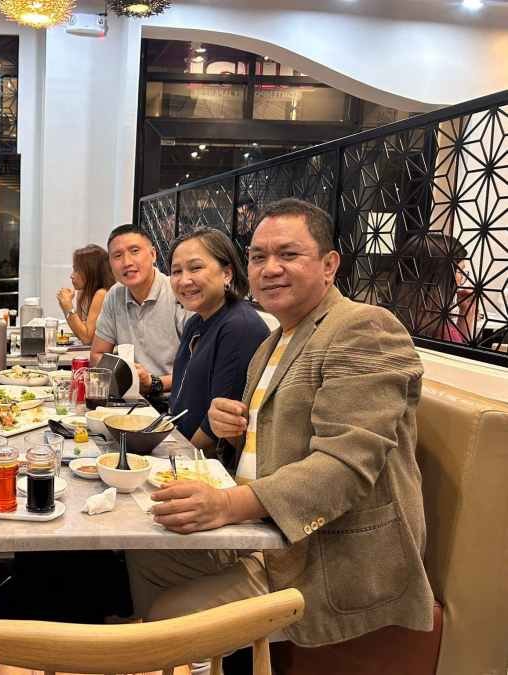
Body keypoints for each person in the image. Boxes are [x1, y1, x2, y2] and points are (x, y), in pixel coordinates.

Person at [127, 198, 434, 652]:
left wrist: (226, 505)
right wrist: (231, 432)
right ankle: (180, 656)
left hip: (323, 554)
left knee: (168, 617)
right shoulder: (274, 341)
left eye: (288, 254)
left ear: (329, 265)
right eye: (258, 257)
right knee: (144, 554)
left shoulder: (364, 328)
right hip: (262, 535)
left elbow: (344, 467)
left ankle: (172, 652)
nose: (270, 268)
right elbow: (268, 444)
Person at [167, 229, 269, 444]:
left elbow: (219, 428)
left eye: (196, 268)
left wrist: (178, 455)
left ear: (227, 274)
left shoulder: (240, 327)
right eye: (176, 271)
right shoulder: (195, 322)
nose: (184, 280)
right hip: (176, 440)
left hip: (204, 458)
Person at [91, 224, 191, 408]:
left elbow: (197, 370)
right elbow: (97, 354)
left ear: (153, 254)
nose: (127, 262)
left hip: (174, 403)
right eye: (117, 256)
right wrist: (124, 375)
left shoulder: (178, 292)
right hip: (130, 400)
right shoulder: (115, 295)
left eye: (135, 251)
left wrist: (153, 383)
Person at [390, 231, 478, 344]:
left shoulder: (384, 318)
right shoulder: (442, 332)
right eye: (460, 271)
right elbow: (459, 351)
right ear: (440, 277)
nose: (462, 278)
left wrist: (466, 312)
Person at [56, 244, 116, 345]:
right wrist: (65, 306)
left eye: (76, 270)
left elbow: (87, 338)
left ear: (90, 271)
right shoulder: (83, 293)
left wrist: (67, 306)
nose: (71, 276)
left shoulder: (102, 294)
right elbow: (79, 333)